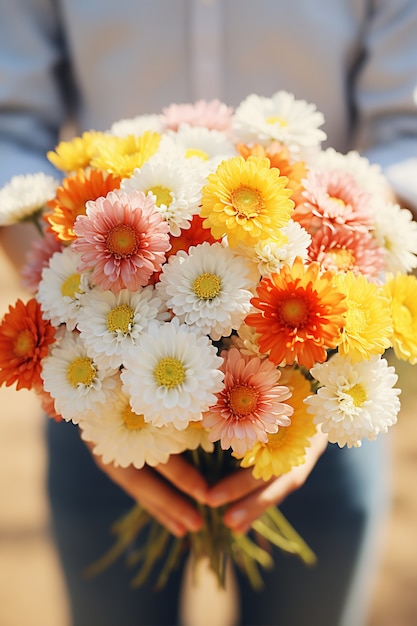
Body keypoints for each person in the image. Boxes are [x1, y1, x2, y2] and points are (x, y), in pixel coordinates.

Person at [0, 1, 416, 625]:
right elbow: (10, 130)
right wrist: (79, 329)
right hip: (97, 378)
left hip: (320, 387)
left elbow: (406, 131)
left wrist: (338, 268)